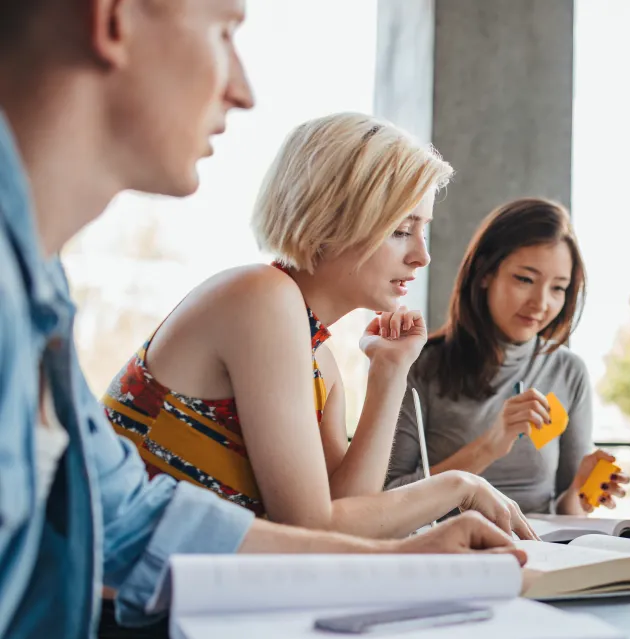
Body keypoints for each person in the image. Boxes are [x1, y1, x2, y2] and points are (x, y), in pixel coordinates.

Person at [0, 2, 522, 639]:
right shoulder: (263, 298)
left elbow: (139, 519)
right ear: (111, 19)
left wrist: (387, 395)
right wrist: (455, 494)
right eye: (224, 32)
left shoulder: (39, 288)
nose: (243, 89)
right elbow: (313, 520)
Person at [101, 112, 536, 541]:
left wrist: (389, 372)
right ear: (331, 221)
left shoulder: (319, 361)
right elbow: (311, 529)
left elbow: (345, 524)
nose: (421, 256)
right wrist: (460, 487)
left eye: (423, 231)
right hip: (107, 600)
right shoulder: (259, 297)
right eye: (402, 230)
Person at [386, 198, 630, 515]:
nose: (540, 303)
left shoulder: (568, 371)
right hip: (448, 551)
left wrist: (580, 492)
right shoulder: (421, 365)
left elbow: (569, 515)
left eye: (558, 288)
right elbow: (385, 498)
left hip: (540, 553)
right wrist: (490, 445)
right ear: (486, 273)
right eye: (525, 279)